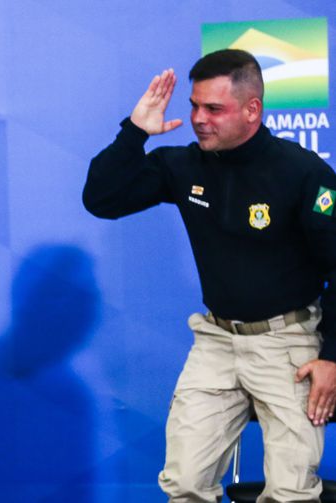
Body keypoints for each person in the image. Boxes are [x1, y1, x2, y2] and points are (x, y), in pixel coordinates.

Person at [84, 49, 336, 502]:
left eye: (214, 109)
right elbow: (100, 199)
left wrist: (333, 356)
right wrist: (135, 132)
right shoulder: (183, 165)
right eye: (195, 106)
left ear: (252, 109)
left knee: (290, 495)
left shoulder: (303, 173)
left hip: (290, 346)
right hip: (216, 341)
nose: (199, 118)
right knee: (183, 485)